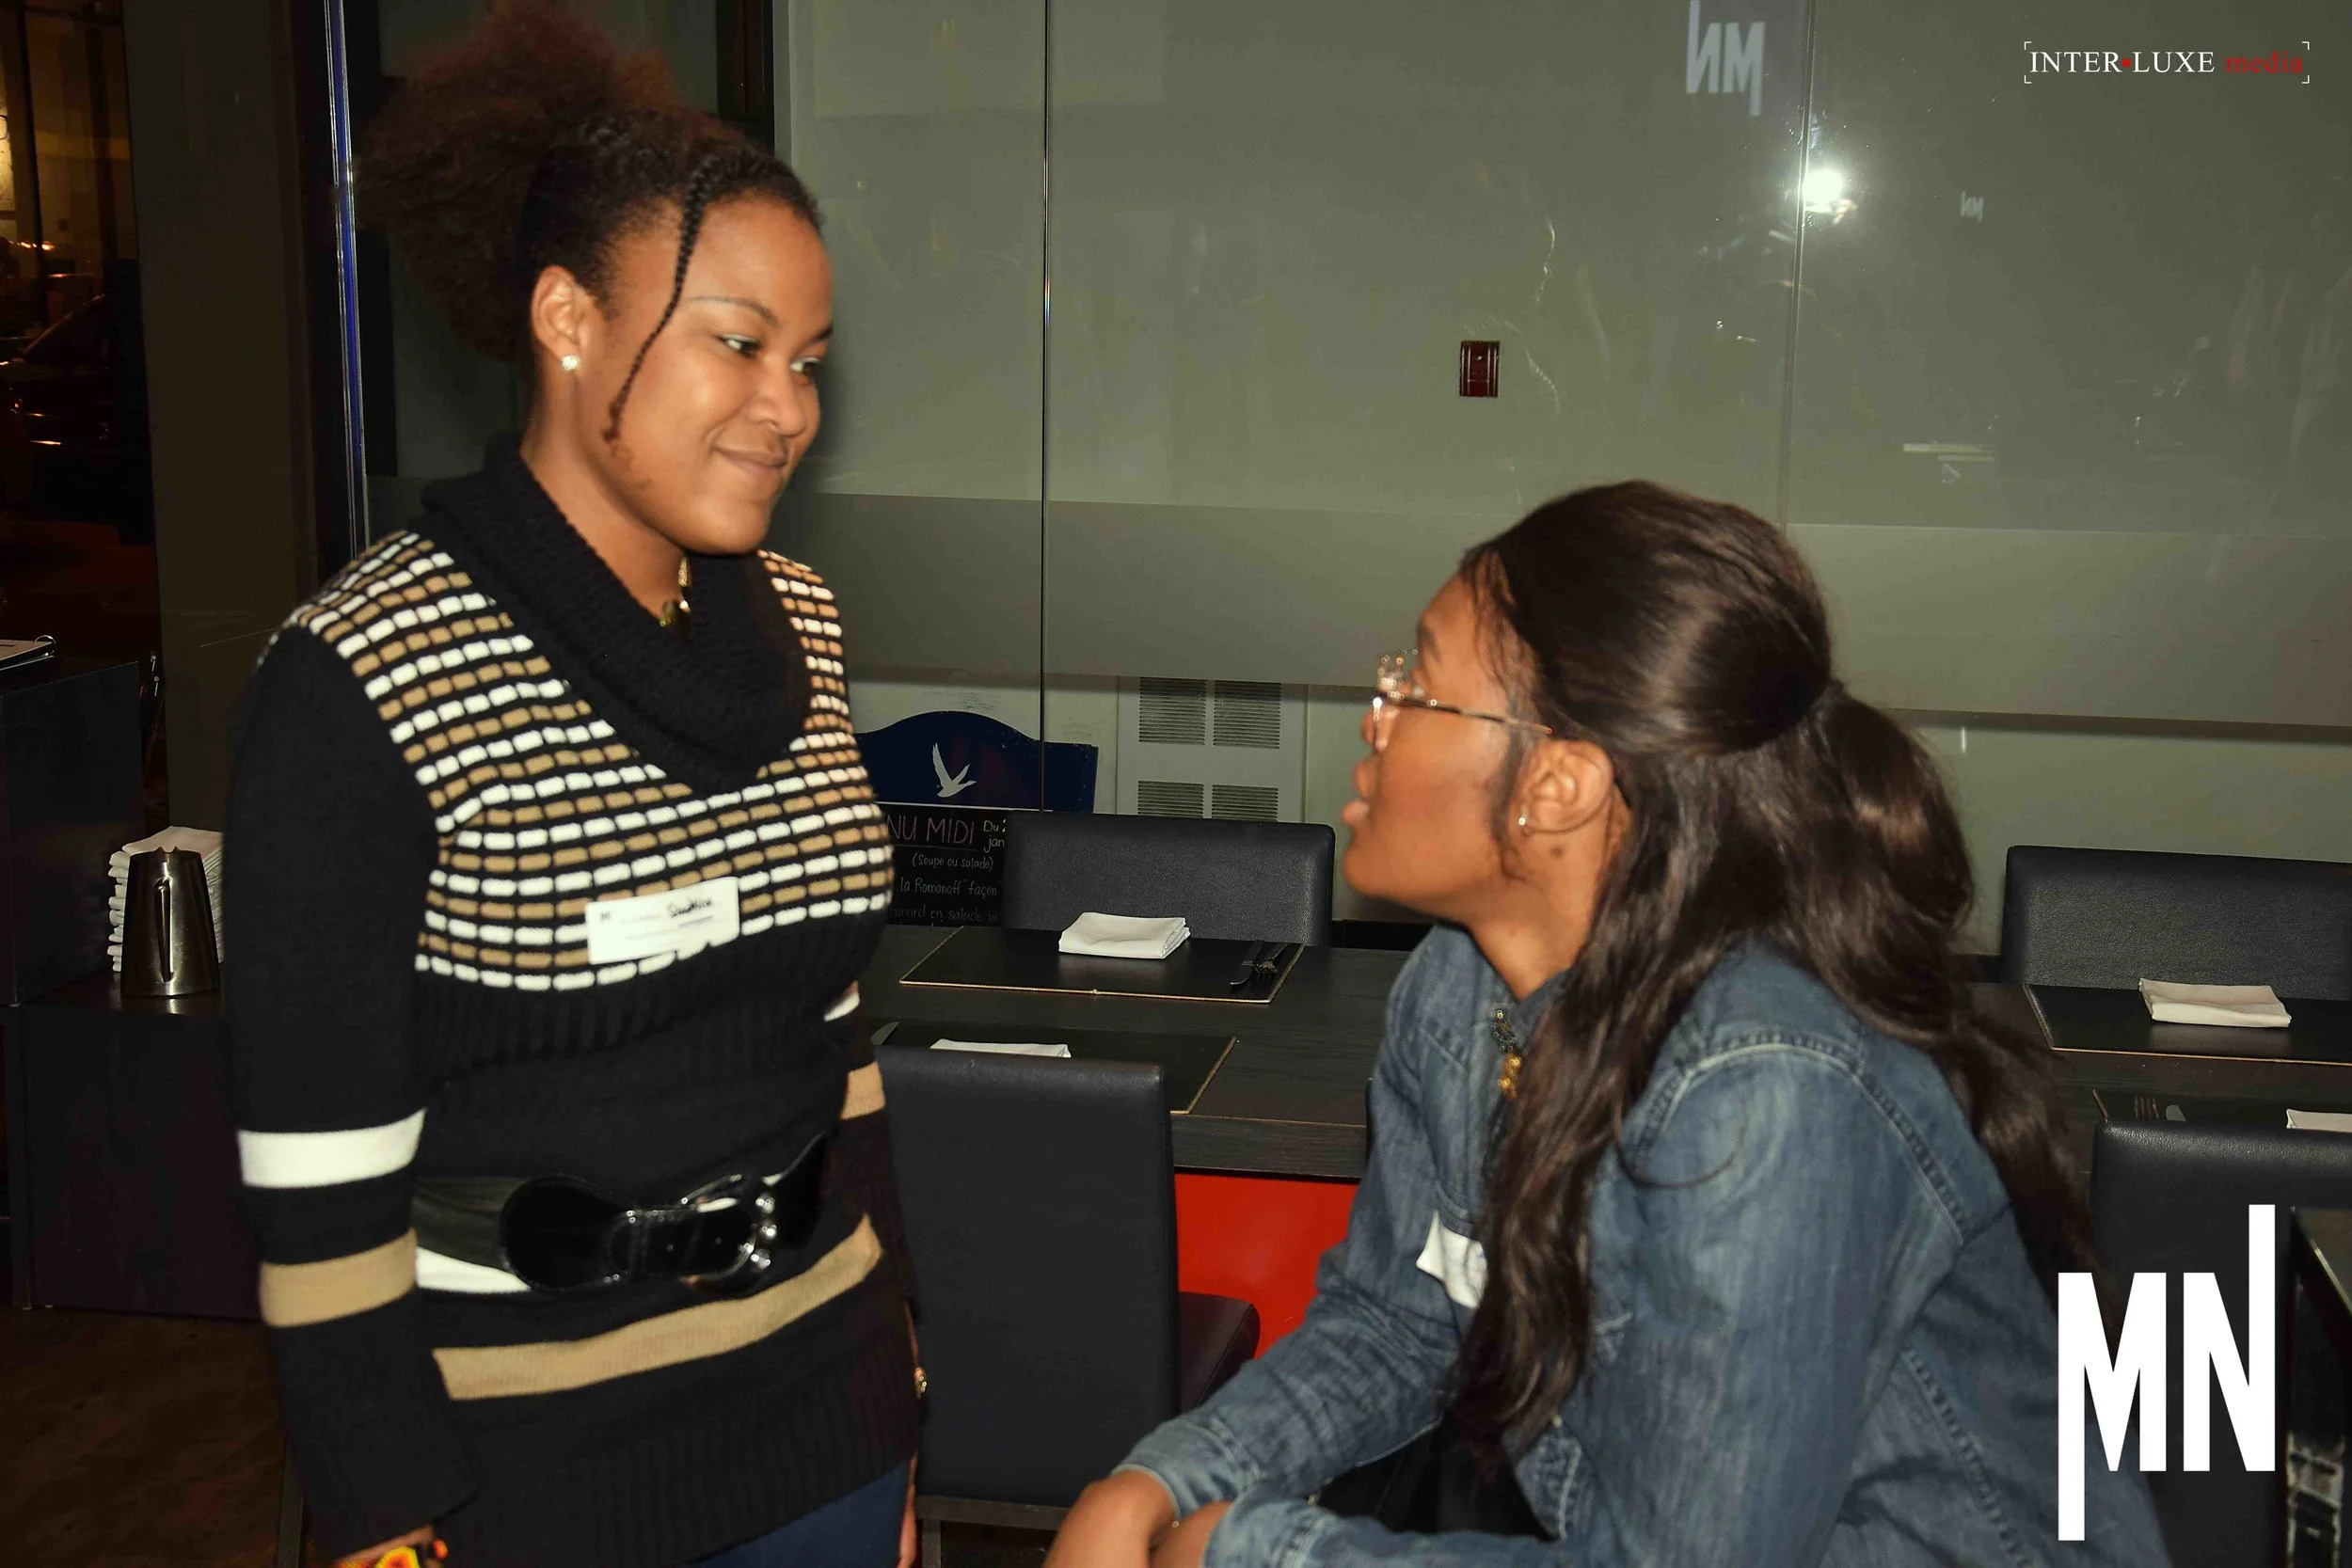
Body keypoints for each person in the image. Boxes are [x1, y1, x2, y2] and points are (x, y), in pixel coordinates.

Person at [1045, 483, 2168, 1566]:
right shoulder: (1458, 993)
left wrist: (1260, 1550)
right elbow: (1402, 1322)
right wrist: (1160, 1479)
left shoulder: (1764, 1087)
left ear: (1557, 786)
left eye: (1417, 684)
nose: (1375, 716)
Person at [223, 8, 918, 1564]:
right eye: (736, 341)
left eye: (808, 361)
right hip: (521, 1464)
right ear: (568, 319)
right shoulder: (366, 677)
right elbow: (319, 1180)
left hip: (826, 1411)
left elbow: (834, 1036)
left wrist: (902, 1367)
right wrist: (384, 1515)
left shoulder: (803, 622)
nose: (789, 406)